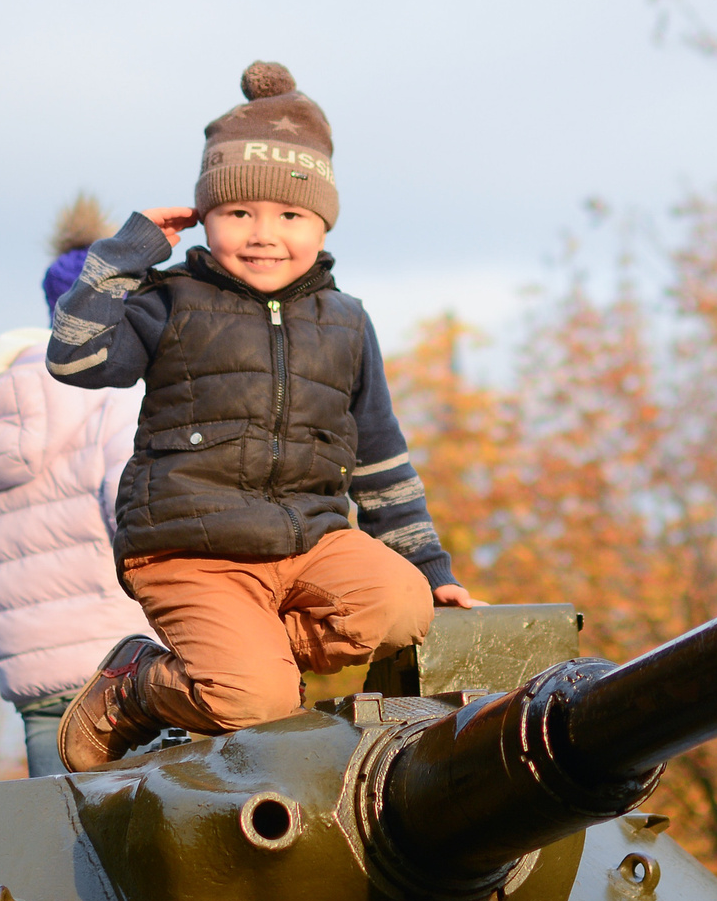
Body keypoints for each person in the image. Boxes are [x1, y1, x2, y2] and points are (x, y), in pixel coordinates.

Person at [44, 61, 474, 768]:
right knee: (255, 705)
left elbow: (379, 452)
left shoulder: (346, 321)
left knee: (403, 605)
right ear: (204, 219)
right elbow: (77, 359)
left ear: (322, 222)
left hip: (309, 543)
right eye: (238, 212)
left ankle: (251, 657)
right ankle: (138, 687)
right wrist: (123, 255)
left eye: (290, 215)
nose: (264, 233)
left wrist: (428, 563)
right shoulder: (170, 300)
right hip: (191, 547)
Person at [0, 194, 155, 777]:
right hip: (122, 666)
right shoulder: (113, 398)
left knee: (66, 837)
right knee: (137, 837)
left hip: (32, 676)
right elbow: (137, 519)